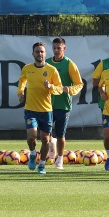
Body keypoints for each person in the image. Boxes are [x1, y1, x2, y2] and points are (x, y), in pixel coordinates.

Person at [17, 42, 63, 175]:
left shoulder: (51, 70)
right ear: (33, 54)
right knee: (31, 137)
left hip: (46, 110)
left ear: (45, 54)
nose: (40, 54)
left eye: (42, 51)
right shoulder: (27, 68)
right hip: (31, 109)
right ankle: (32, 153)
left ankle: (42, 165)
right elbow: (22, 81)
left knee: (45, 140)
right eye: (37, 51)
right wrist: (21, 93)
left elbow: (59, 89)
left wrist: (50, 87)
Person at [46, 37, 84, 170]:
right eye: (54, 48)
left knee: (61, 134)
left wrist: (70, 89)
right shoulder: (47, 63)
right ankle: (52, 143)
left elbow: (79, 84)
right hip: (47, 104)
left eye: (59, 48)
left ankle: (60, 159)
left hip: (63, 105)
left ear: (64, 48)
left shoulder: (69, 64)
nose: (56, 51)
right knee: (45, 133)